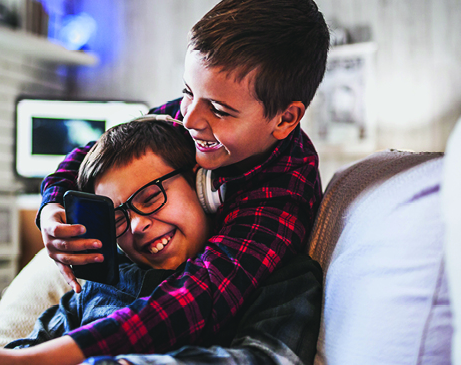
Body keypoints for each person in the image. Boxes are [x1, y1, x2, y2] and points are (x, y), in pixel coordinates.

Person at [35, 0, 329, 360]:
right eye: (189, 91)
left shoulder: (284, 192)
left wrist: (64, 354)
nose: (188, 119)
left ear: (285, 119)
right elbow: (89, 154)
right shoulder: (188, 113)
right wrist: (52, 205)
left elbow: (202, 298)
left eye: (219, 110)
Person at [0, 117, 323, 365]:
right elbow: (24, 355)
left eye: (151, 197)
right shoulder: (95, 290)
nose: (137, 225)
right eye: (117, 218)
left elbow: (266, 359)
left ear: (204, 190)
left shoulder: (280, 276)